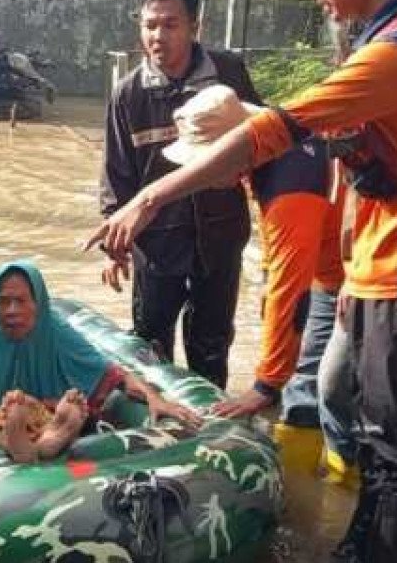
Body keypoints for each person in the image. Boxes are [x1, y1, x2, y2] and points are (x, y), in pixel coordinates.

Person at [86, 0, 397, 563]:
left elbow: (275, 136)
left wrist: (150, 197)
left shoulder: (395, 54)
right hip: (385, 276)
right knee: (380, 453)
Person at [149, 86, 357, 480]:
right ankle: (302, 488)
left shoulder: (291, 182)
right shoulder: (275, 146)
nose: (204, 174)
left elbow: (289, 285)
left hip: (365, 278)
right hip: (331, 273)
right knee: (304, 390)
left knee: (333, 389)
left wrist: (265, 384)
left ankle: (347, 483)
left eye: (209, 161)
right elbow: (281, 265)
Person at [100, 0, 262, 389]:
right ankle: (160, 420)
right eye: (150, 25)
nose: (158, 36)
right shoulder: (128, 94)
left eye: (170, 25)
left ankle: (212, 421)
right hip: (156, 242)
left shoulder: (228, 74)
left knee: (212, 345)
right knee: (149, 347)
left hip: (220, 235)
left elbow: (262, 139)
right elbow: (117, 174)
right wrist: (115, 245)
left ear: (195, 27)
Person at [0, 261, 201, 463]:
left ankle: (53, 432)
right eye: (3, 302)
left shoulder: (58, 334)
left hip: (50, 413)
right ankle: (29, 441)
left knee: (65, 408)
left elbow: (116, 375)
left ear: (38, 303)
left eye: (21, 301)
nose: (11, 311)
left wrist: (155, 398)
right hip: (5, 419)